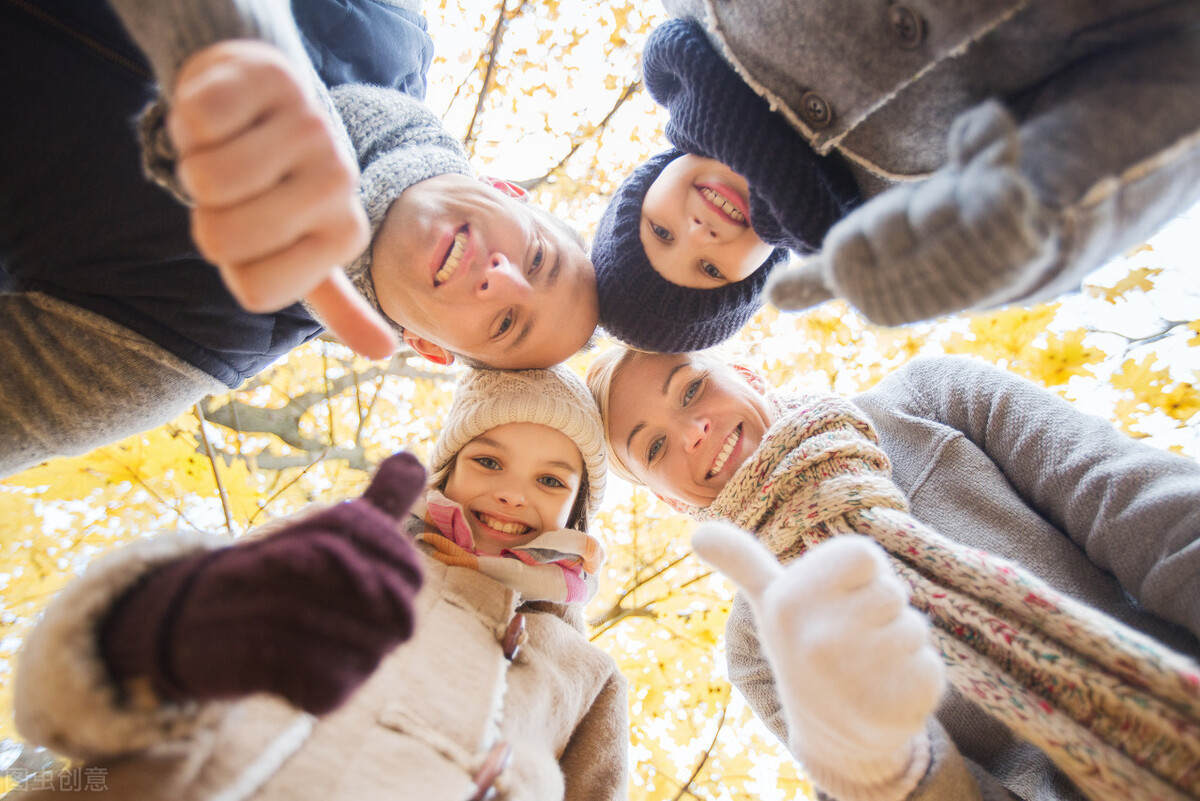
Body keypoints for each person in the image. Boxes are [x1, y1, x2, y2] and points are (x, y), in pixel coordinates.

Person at [0, 0, 599, 478]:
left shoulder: (181, 344)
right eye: (538, 257)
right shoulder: (389, 23)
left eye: (504, 324)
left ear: (429, 349)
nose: (503, 278)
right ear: (506, 189)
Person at [587, 348, 1200, 801]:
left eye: (691, 390)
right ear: (666, 499)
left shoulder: (929, 400)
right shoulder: (757, 645)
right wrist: (879, 756)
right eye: (655, 449)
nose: (691, 432)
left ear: (748, 370)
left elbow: (1146, 509)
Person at [11, 365, 628, 800]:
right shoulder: (339, 543)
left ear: (577, 513)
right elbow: (74, 694)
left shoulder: (587, 676)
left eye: (551, 481)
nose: (512, 493)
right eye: (488, 461)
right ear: (446, 471)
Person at [589, 0, 1200, 352]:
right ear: (757, 279)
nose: (697, 232)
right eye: (711, 271)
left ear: (648, 181)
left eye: (661, 232)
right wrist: (1015, 240)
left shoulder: (695, 12)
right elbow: (1166, 104)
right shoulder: (902, 209)